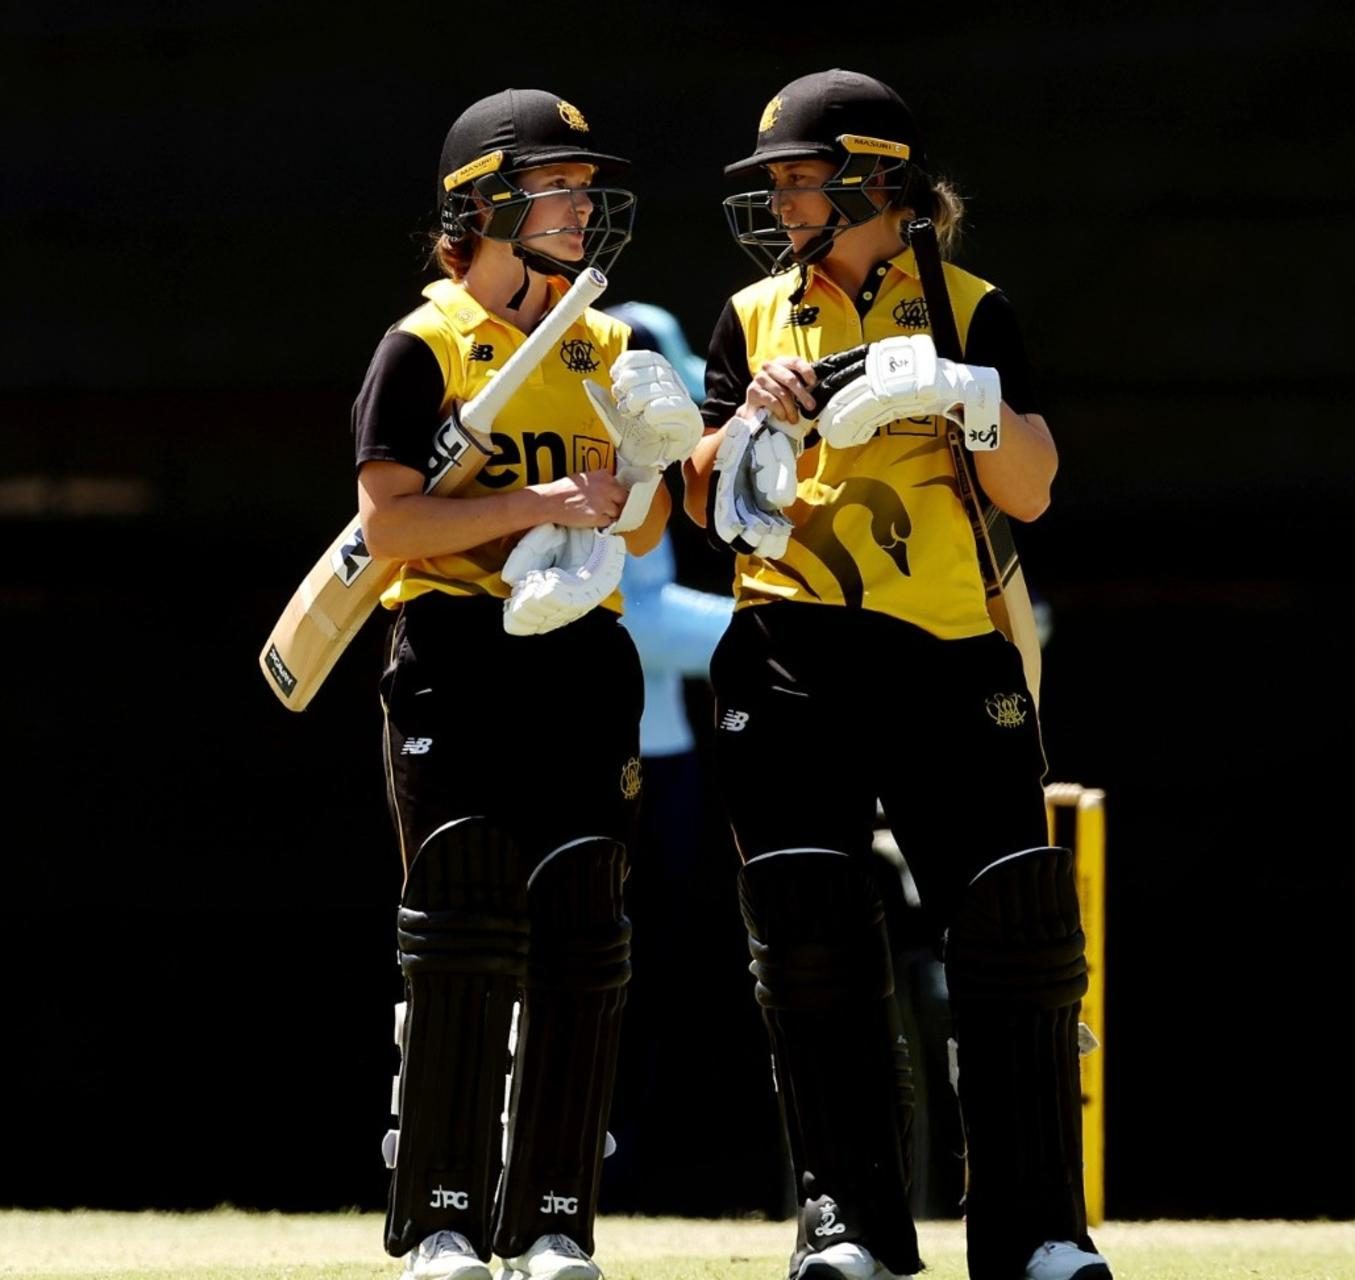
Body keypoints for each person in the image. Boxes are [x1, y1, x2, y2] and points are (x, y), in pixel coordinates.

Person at [683, 69, 1110, 1280]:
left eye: (800, 177)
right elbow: (711, 511)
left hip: (947, 652)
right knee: (809, 936)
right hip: (789, 654)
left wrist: (964, 396)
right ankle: (849, 1224)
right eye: (773, 181)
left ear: (877, 180)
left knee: (1012, 935)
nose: (780, 200)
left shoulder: (973, 306)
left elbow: (1031, 487)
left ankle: (1038, 1229)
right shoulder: (751, 316)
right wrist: (746, 427)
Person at [354, 88, 702, 1280]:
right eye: (557, 185)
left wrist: (648, 479)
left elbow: (645, 545)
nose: (581, 205)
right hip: (455, 650)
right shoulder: (427, 343)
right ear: (487, 202)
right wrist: (529, 509)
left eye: (584, 186)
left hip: (581, 658)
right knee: (457, 926)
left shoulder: (609, 342)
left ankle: (553, 1218)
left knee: (583, 933)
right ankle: (442, 1216)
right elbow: (388, 526)